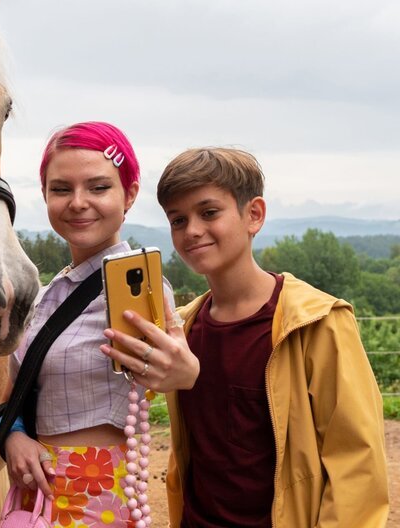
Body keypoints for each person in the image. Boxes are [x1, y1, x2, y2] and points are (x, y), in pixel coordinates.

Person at [155, 147, 389, 527]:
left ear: (254, 215)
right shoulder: (183, 328)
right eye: (177, 220)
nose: (192, 230)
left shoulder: (317, 323)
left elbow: (357, 465)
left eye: (209, 212)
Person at [0, 121, 199, 527]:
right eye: (61, 189)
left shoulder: (144, 291)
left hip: (100, 496)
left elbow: (174, 370)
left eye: (99, 187)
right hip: (36, 495)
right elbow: (7, 403)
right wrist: (12, 436)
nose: (78, 202)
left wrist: (186, 371)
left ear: (130, 195)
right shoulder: (44, 298)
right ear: (45, 196)